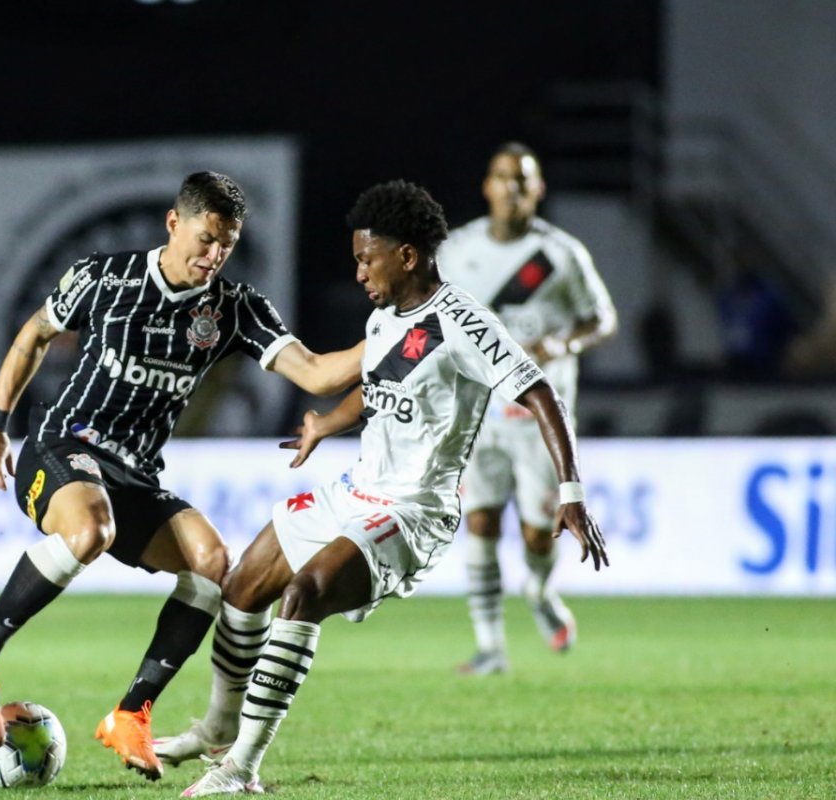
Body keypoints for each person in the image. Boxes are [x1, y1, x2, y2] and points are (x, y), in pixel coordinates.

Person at [152, 179, 608, 796]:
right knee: (243, 584)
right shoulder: (387, 316)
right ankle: (215, 728)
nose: (360, 272)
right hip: (355, 490)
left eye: (368, 258)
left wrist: (571, 492)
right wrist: (325, 423)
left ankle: (242, 770)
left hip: (413, 510)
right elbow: (377, 381)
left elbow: (540, 392)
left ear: (408, 256)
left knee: (306, 591)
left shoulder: (467, 324)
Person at [0, 171, 362, 781]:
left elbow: (318, 373)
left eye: (227, 244)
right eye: (206, 238)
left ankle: (131, 713)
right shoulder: (104, 277)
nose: (214, 255)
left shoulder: (233, 308)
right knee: (91, 530)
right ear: (174, 222)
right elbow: (35, 333)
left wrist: (391, 337)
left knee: (217, 568)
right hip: (63, 445)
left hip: (134, 473)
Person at [437, 143, 617, 674]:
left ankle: (539, 593)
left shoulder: (561, 254)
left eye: (522, 178)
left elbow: (603, 319)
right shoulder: (456, 249)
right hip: (474, 414)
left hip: (538, 420)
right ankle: (490, 647)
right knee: (481, 522)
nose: (510, 187)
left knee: (540, 532)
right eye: (501, 176)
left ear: (537, 190)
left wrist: (564, 343)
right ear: (486, 186)